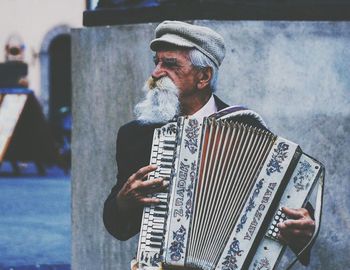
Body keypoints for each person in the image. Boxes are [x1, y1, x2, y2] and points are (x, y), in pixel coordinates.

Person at [103, 20, 315, 268]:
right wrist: (123, 201)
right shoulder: (137, 134)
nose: (156, 73)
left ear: (203, 77)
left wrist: (303, 223)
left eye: (170, 64)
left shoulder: (247, 129)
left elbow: (292, 204)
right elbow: (116, 226)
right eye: (157, 62)